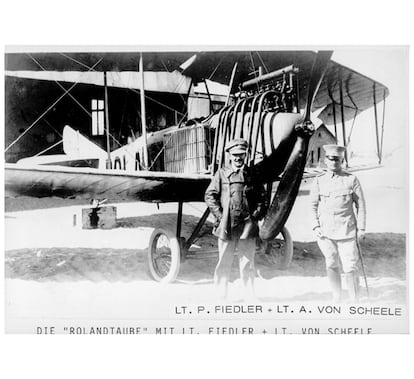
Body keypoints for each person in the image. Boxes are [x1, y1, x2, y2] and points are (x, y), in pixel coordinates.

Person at [205, 138, 268, 300]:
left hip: (247, 225)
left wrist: (255, 216)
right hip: (227, 225)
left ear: (245, 155)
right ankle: (220, 294)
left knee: (247, 262)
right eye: (235, 155)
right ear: (229, 155)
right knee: (224, 262)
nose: (238, 158)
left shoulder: (252, 174)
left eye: (241, 154)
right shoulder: (222, 174)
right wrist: (219, 215)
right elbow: (210, 195)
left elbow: (262, 198)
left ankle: (249, 294)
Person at [310, 144, 366, 302]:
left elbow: (361, 205)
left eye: (338, 159)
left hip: (347, 231)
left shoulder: (351, 180)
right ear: (325, 160)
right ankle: (337, 296)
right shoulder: (319, 181)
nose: (334, 162)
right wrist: (315, 226)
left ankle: (354, 299)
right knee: (331, 262)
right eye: (331, 159)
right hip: (325, 232)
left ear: (342, 160)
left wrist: (361, 228)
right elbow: (312, 206)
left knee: (350, 266)